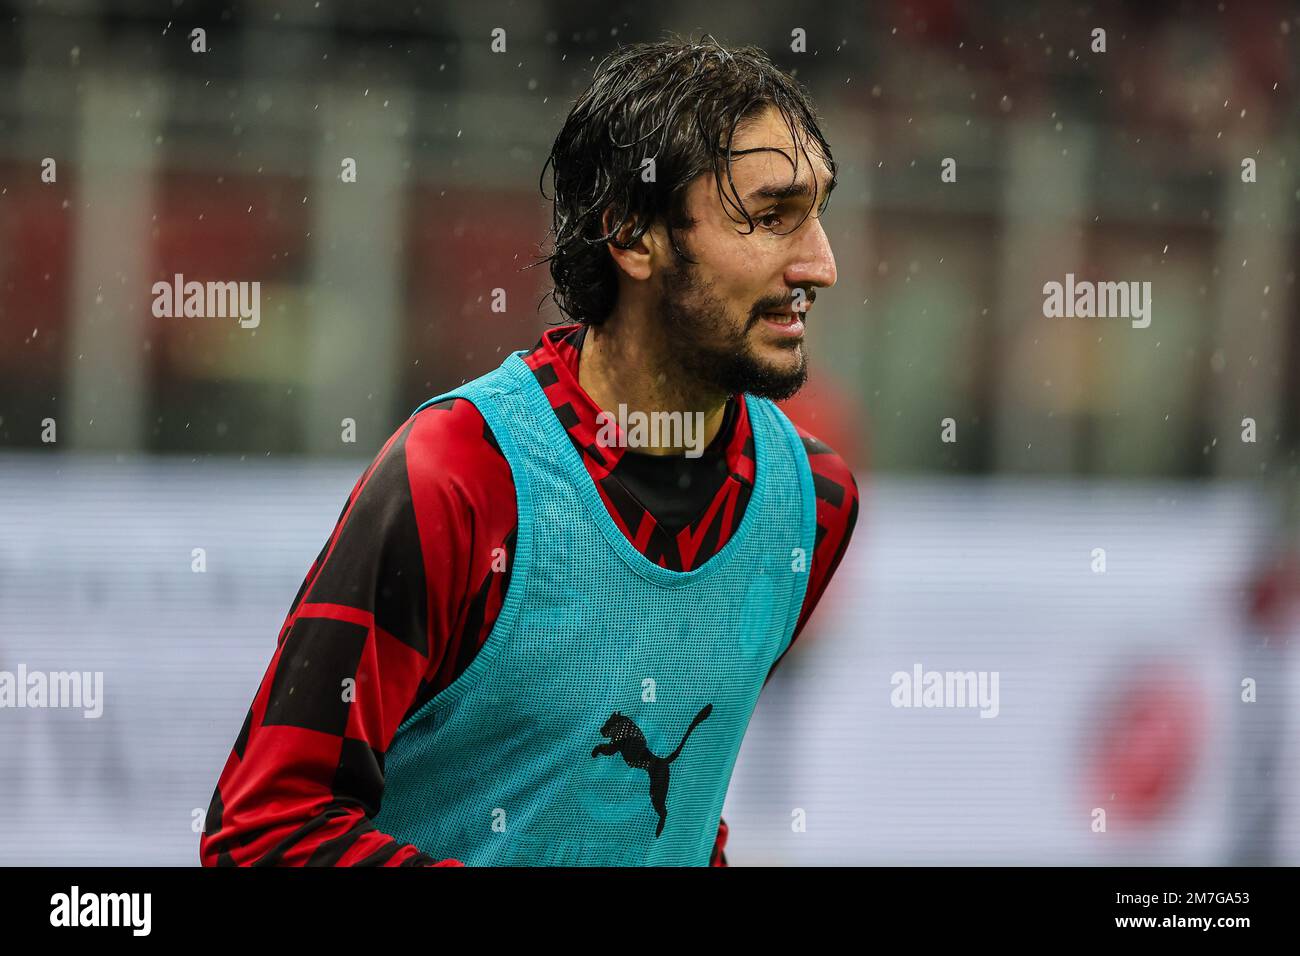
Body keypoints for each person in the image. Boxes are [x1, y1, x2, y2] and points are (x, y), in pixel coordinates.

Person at [200, 34, 858, 867]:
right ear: (630, 232)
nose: (822, 265)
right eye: (770, 217)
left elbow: (670, 822)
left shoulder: (816, 503)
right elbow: (265, 833)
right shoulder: (459, 478)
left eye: (819, 214)